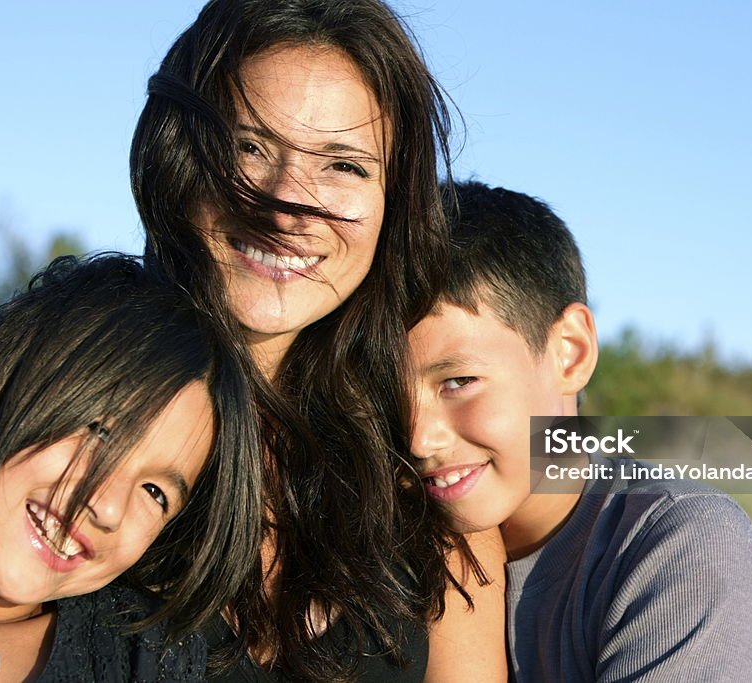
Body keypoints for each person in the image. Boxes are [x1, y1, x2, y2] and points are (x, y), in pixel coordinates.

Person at [130, 1, 506, 680]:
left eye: (345, 167)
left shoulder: (432, 488)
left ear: (396, 205)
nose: (285, 206)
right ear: (178, 154)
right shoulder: (54, 393)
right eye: (249, 146)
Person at [408, 180, 752, 681]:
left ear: (571, 352)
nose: (417, 438)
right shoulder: (381, 536)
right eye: (385, 395)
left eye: (458, 381)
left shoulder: (679, 547)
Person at [0, 254, 265, 680]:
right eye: (99, 432)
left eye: (155, 493)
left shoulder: (143, 664)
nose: (109, 508)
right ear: (4, 370)